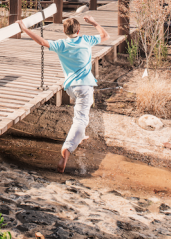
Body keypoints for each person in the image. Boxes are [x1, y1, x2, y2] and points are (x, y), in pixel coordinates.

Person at [18, 15, 108, 173]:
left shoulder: (61, 44)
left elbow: (42, 42)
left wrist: (25, 29)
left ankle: (79, 136)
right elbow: (105, 35)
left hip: (70, 88)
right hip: (84, 86)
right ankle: (67, 150)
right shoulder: (86, 40)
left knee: (81, 115)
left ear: (64, 31)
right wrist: (94, 22)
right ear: (78, 31)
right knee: (81, 118)